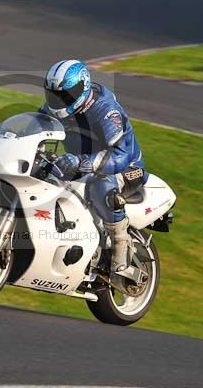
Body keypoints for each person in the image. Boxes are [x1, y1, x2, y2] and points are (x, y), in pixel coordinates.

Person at [40, 59, 146, 277]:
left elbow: (121, 154)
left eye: (65, 95)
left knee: (101, 184)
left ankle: (120, 252)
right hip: (80, 162)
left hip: (127, 168)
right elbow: (37, 129)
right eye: (53, 95)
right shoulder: (54, 108)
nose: (58, 100)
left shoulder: (106, 111)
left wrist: (83, 162)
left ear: (82, 88)